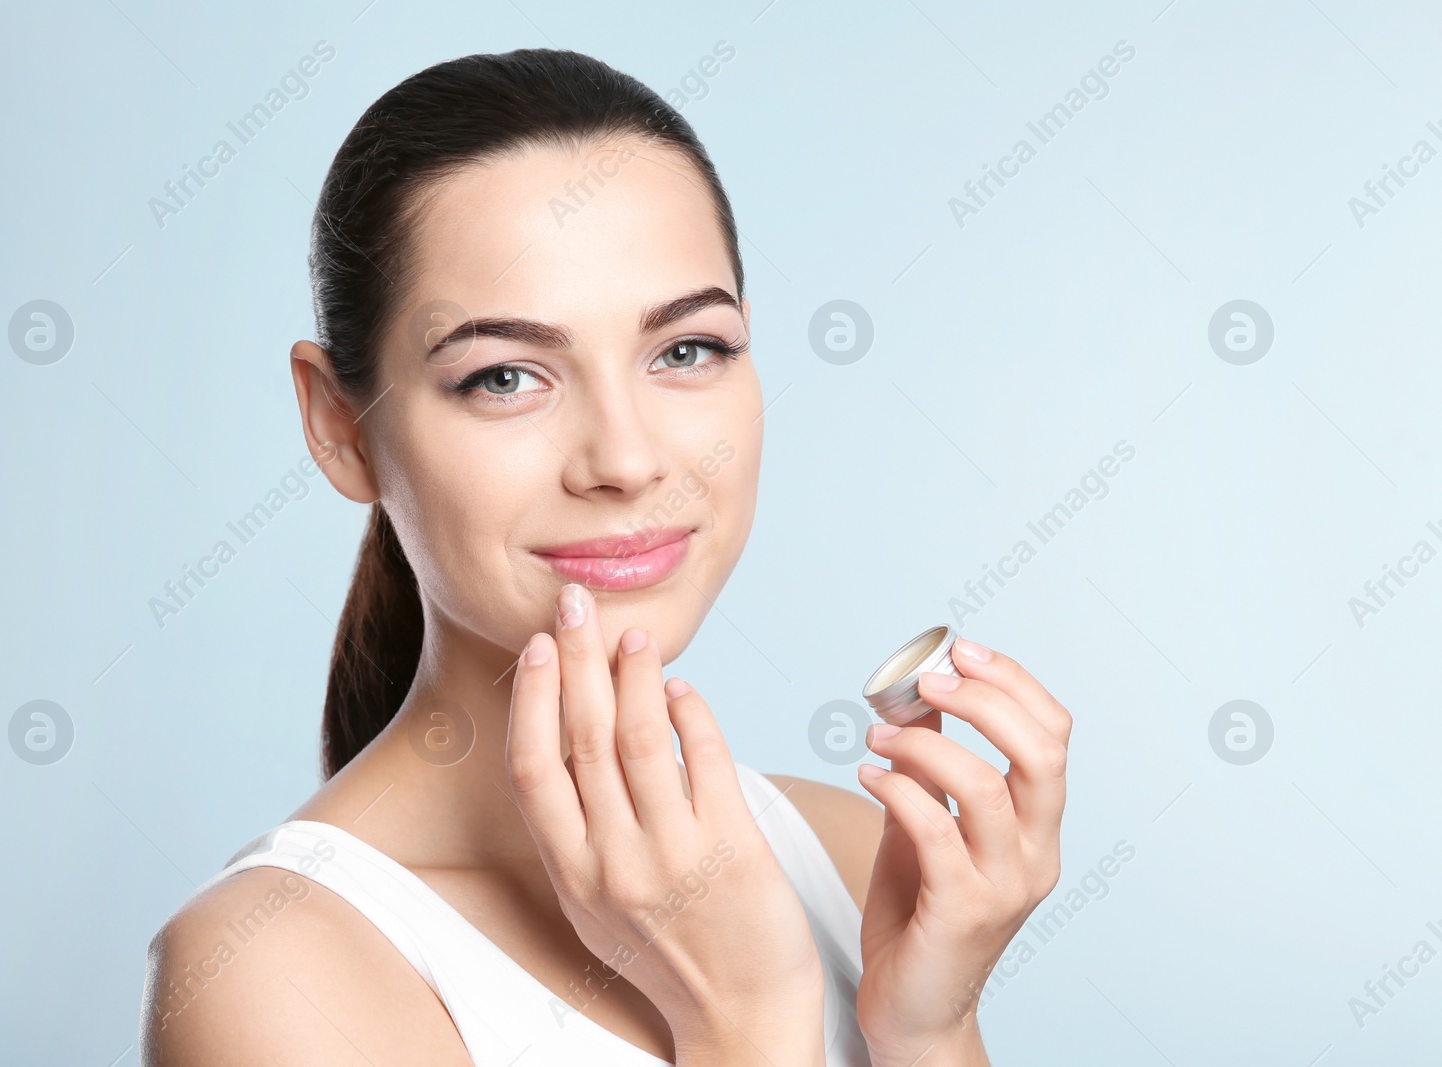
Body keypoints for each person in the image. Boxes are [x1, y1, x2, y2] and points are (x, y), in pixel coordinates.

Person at [141, 47, 1071, 1066]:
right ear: (340, 425)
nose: (626, 460)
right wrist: (744, 1020)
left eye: (685, 350)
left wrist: (926, 1028)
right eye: (504, 376)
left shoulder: (853, 858)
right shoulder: (269, 971)